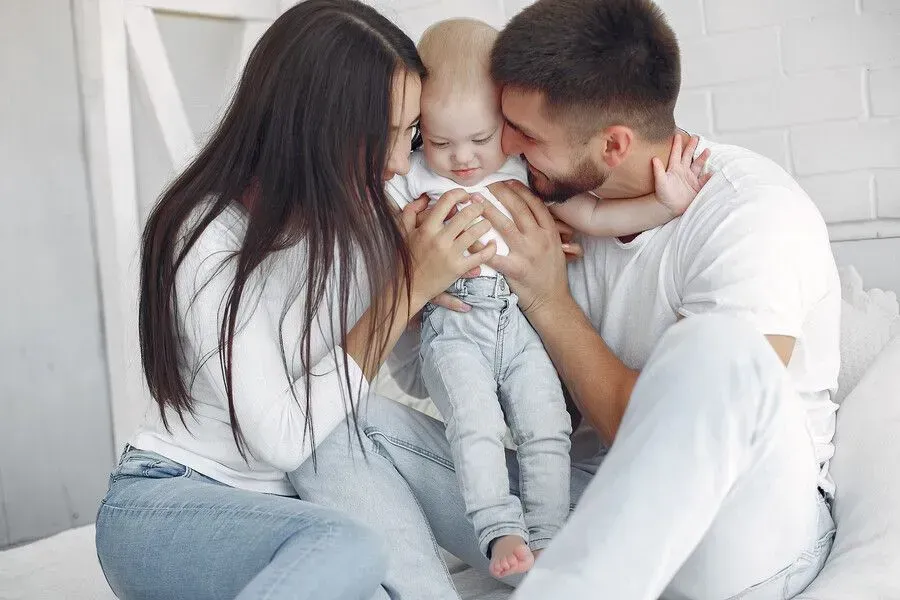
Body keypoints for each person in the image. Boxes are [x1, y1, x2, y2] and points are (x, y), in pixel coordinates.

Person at [362, 0, 841, 598]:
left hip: (743, 527)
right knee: (337, 412)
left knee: (716, 347)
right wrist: (422, 283)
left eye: (525, 134)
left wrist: (546, 298)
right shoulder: (536, 200)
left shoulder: (752, 215)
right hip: (586, 498)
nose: (502, 146)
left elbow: (686, 444)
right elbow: (439, 382)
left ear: (612, 145)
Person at [93, 1, 496, 598]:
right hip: (175, 498)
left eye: (409, 134)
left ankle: (565, 546)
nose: (395, 163)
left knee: (370, 548)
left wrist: (493, 276)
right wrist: (407, 289)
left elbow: (408, 380)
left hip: (308, 500)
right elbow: (281, 436)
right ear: (314, 127)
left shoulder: (365, 220)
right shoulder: (206, 235)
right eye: (380, 137)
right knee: (345, 548)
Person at [385, 17, 709, 579]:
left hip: (519, 323)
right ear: (419, 132)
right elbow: (375, 232)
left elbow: (590, 215)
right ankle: (498, 527)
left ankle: (551, 534)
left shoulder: (519, 171)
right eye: (440, 142)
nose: (464, 159)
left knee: (547, 423)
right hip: (455, 326)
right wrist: (405, 251)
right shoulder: (412, 177)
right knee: (474, 420)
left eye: (483, 138)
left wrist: (663, 207)